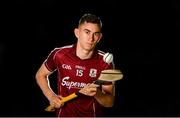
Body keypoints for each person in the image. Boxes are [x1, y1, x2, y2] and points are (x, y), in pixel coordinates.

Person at [35, 13, 116, 117]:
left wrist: (97, 93)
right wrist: (51, 96)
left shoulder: (105, 63)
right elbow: (40, 75)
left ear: (99, 37)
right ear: (77, 33)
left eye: (95, 34)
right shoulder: (59, 55)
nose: (91, 38)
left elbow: (109, 103)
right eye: (87, 32)